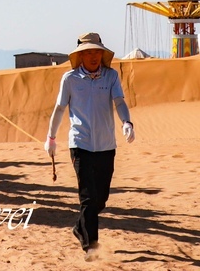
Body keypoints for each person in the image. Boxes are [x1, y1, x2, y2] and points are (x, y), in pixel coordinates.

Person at [45, 32, 135, 261]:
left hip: (106, 145)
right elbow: (59, 109)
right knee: (87, 197)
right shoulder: (70, 79)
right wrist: (51, 138)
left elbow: (119, 102)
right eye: (88, 52)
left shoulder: (111, 76)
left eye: (96, 51)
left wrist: (127, 122)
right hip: (80, 144)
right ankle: (90, 245)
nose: (93, 56)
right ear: (80, 56)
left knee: (100, 199)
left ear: (102, 54)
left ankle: (79, 227)